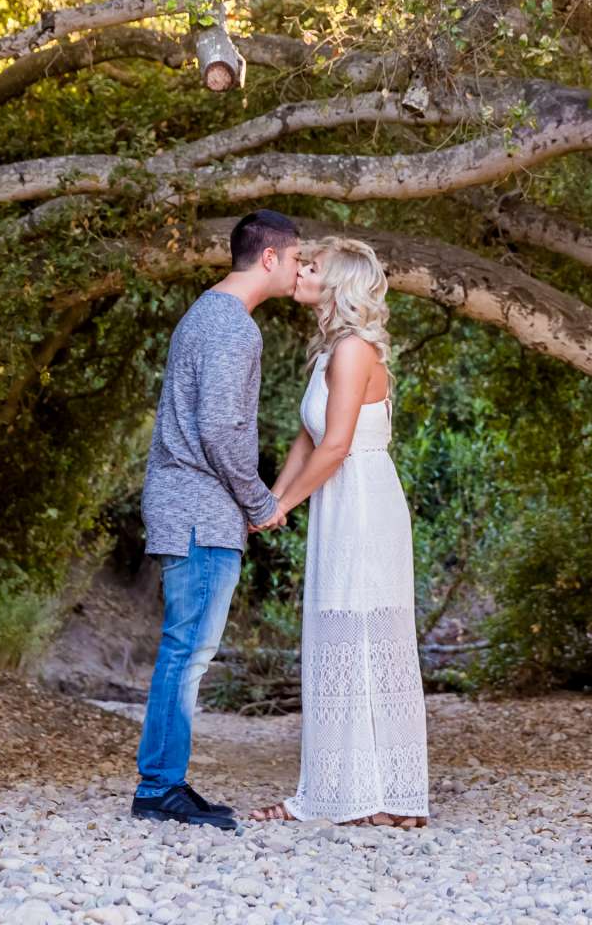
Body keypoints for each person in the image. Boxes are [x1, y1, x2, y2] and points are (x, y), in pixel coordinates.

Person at [246, 238, 430, 828]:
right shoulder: (331, 350)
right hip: (338, 499)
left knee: (364, 638)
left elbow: (338, 445)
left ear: (338, 285)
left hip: (361, 502)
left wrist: (284, 508)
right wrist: (270, 499)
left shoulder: (353, 351)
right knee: (345, 642)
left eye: (312, 266)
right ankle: (365, 793)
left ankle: (386, 796)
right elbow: (307, 438)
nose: (300, 270)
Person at [131, 209, 300, 831]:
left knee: (185, 649)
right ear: (269, 258)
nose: (299, 270)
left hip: (184, 503)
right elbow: (221, 429)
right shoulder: (235, 328)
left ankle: (165, 781)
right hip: (201, 510)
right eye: (296, 258)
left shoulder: (202, 313)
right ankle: (158, 788)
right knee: (189, 651)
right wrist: (260, 502)